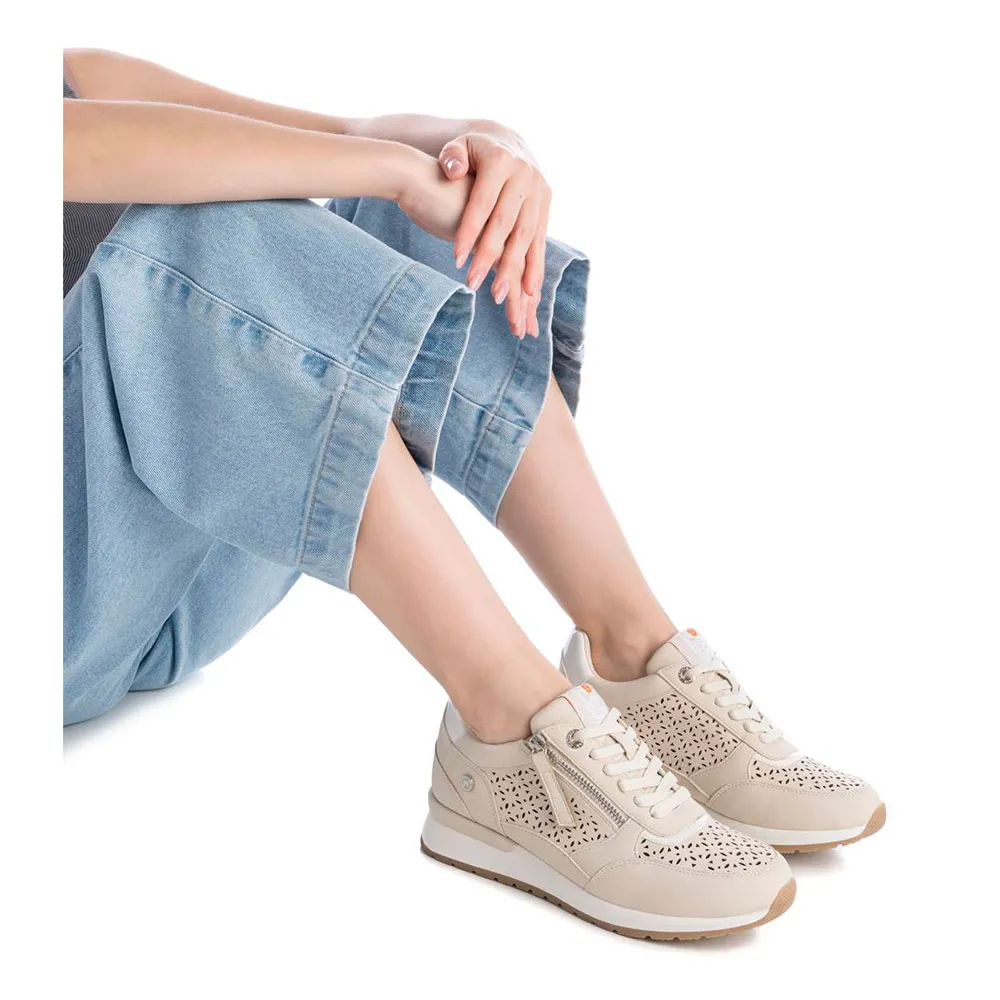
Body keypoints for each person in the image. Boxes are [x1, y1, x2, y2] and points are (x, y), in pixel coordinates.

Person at [63, 48, 883, 940]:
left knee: (420, 209)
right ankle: (514, 732)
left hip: (152, 586)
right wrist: (391, 167)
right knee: (200, 235)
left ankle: (633, 654)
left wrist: (478, 151)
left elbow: (345, 135)